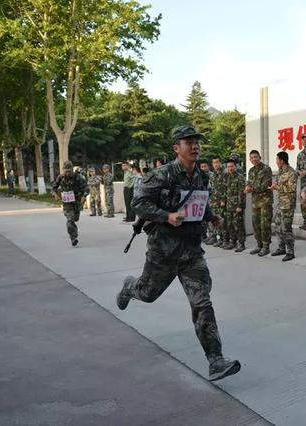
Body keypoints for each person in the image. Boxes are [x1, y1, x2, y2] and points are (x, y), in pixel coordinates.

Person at [116, 124, 241, 382]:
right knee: (148, 294)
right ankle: (130, 287)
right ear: (176, 148)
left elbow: (198, 203)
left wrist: (210, 216)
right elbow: (138, 203)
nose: (195, 146)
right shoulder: (161, 175)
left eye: (197, 141)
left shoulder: (202, 176)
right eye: (188, 142)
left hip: (192, 252)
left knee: (202, 302)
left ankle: (216, 361)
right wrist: (166, 216)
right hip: (163, 251)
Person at [52, 161, 89, 247]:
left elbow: (86, 188)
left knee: (75, 218)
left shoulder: (78, 177)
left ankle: (73, 229)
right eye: (66, 171)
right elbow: (53, 188)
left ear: (72, 170)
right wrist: (55, 194)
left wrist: (84, 196)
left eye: (69, 171)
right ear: (63, 170)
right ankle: (73, 238)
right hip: (67, 203)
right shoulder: (60, 178)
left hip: (77, 202)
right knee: (70, 220)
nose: (67, 173)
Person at [270, 151, 298, 261]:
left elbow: (292, 189)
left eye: (277, 160)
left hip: (288, 204)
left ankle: (290, 251)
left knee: (286, 228)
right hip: (280, 203)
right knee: (277, 225)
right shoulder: (280, 171)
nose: (276, 162)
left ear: (282, 161)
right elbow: (278, 183)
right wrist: (275, 185)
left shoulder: (291, 172)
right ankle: (281, 247)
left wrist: (277, 188)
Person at [245, 150, 273, 256]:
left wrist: (251, 189)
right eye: (251, 158)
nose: (254, 159)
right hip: (255, 202)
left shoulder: (266, 169)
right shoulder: (251, 170)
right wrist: (248, 186)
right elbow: (249, 181)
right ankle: (259, 245)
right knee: (255, 223)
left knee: (265, 224)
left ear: (260, 157)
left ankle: (266, 247)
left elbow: (265, 185)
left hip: (265, 201)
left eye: (255, 157)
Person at [223, 158, 246, 252]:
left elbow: (242, 193)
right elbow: (225, 191)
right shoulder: (226, 177)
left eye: (232, 166)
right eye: (228, 167)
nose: (230, 168)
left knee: (238, 225)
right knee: (230, 224)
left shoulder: (240, 177)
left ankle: (241, 243)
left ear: (235, 166)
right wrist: (223, 201)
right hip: (228, 205)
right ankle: (233, 242)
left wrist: (240, 206)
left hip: (237, 205)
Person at [207, 157, 227, 247]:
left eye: (217, 162)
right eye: (214, 162)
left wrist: (223, 200)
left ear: (220, 162)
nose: (215, 164)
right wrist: (211, 200)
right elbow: (211, 188)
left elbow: (227, 188)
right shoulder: (213, 174)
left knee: (222, 221)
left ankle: (224, 240)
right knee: (215, 220)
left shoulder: (225, 173)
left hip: (223, 202)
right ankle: (217, 238)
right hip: (214, 201)